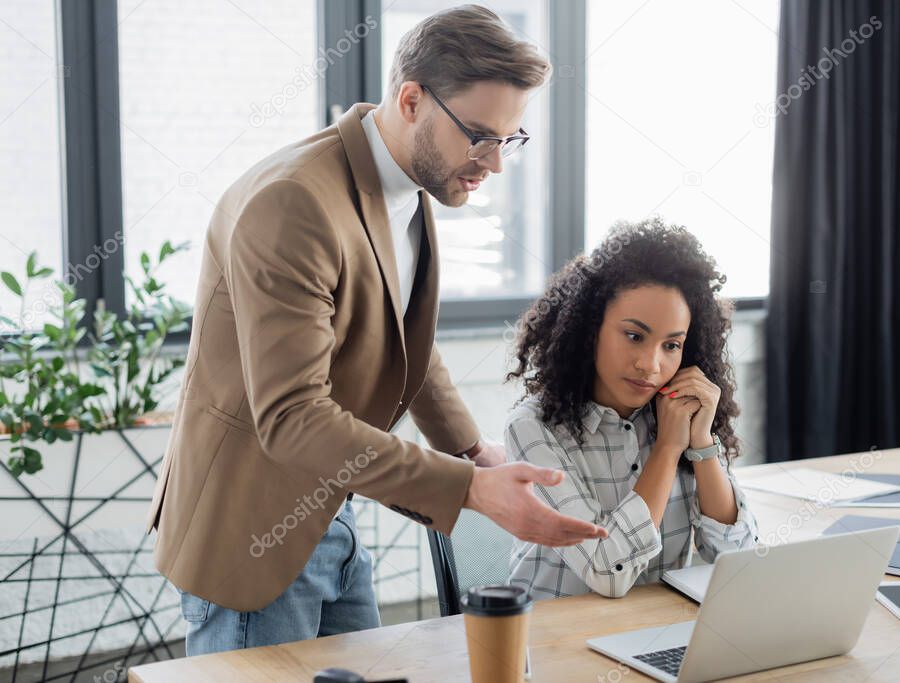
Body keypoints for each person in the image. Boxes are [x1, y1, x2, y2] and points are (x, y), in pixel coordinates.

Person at [145, 5, 605, 655]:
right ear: (411, 99)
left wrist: (477, 452)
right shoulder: (294, 204)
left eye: (510, 140)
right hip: (252, 531)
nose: (494, 164)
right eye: (481, 136)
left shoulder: (411, 182)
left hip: (331, 513)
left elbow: (407, 343)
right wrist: (470, 489)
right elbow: (292, 416)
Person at [505, 218, 758, 599]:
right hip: (554, 643)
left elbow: (739, 561)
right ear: (590, 329)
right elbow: (607, 571)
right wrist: (668, 450)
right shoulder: (532, 428)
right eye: (634, 336)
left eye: (671, 345)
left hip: (651, 635)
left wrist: (701, 443)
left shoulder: (676, 414)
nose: (651, 365)